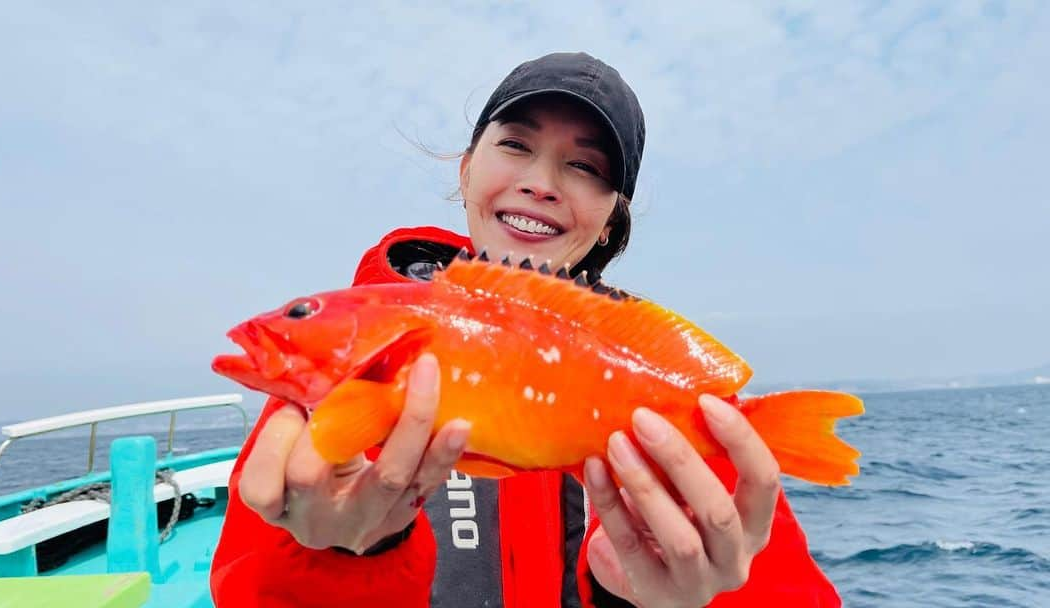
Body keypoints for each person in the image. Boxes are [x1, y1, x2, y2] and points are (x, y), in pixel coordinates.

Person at [210, 52, 841, 607]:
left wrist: (671, 602)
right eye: (515, 145)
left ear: (609, 222)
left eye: (586, 167)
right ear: (464, 169)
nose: (540, 183)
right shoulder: (330, 399)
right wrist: (338, 558)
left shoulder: (688, 418)